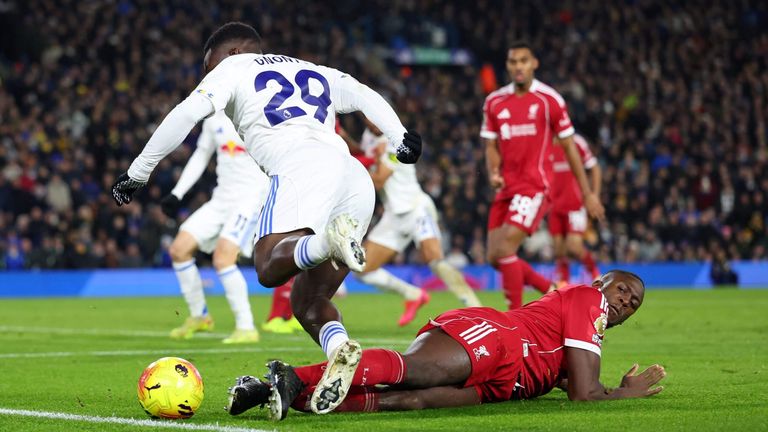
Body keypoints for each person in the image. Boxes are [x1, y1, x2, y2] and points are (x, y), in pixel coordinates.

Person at [110, 22, 421, 415]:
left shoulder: (234, 67)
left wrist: (137, 172)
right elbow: (362, 93)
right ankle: (340, 349)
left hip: (302, 166)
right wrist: (401, 137)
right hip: (353, 177)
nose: (209, 79)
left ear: (232, 54)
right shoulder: (315, 69)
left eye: (209, 69)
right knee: (310, 299)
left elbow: (186, 112)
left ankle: (328, 241)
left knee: (268, 265)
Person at [226, 270, 664, 421]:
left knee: (410, 402)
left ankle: (274, 392)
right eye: (622, 288)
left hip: (500, 384)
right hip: (499, 337)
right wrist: (627, 391)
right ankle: (293, 376)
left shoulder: (586, 334)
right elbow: (583, 394)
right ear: (599, 283)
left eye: (634, 302)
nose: (626, 299)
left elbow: (582, 384)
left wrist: (610, 387)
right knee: (418, 370)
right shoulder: (587, 300)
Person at [481, 41, 605, 310]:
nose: (518, 67)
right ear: (508, 65)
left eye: (523, 61)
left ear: (534, 63)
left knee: (506, 251)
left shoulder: (549, 100)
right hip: (506, 188)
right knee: (494, 257)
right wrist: (493, 172)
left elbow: (571, 148)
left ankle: (512, 319)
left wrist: (588, 194)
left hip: (534, 187)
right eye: (513, 62)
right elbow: (490, 144)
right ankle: (552, 292)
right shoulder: (494, 102)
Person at [356, 120, 482, 327]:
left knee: (435, 260)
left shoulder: (396, 140)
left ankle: (477, 309)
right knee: (362, 269)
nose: (374, 121)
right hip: (393, 216)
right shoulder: (368, 136)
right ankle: (413, 294)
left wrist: (357, 168)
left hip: (416, 209)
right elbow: (361, 151)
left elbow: (378, 181)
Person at [160, 110, 269, 343]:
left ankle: (246, 327)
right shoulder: (214, 118)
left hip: (250, 198)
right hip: (221, 199)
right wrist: (177, 193)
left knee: (223, 258)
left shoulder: (256, 111)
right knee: (179, 250)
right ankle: (200, 317)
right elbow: (201, 155)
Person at [549, 133, 602, 284]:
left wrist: (595, 195)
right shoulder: (545, 143)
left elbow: (595, 168)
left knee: (574, 247)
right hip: (554, 206)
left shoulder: (576, 142)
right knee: (559, 250)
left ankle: (595, 274)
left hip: (575, 204)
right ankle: (563, 284)